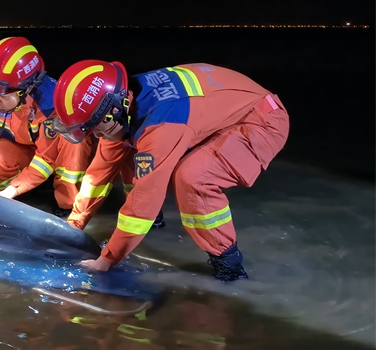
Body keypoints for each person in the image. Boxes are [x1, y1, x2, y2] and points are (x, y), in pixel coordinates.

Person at [51, 60, 289, 281]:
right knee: (122, 152)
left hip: (262, 120)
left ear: (112, 112)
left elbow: (145, 199)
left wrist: (106, 261)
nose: (95, 135)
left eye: (94, 127)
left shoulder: (161, 123)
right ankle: (155, 226)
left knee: (193, 178)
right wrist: (75, 224)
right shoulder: (120, 103)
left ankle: (229, 266)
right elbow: (98, 174)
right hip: (225, 109)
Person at [0, 37, 92, 216]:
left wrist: (12, 190)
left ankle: (67, 203)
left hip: (54, 157)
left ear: (26, 90)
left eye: (2, 95)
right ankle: (19, 195)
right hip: (24, 151)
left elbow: (46, 159)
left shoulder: (51, 104)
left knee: (74, 144)